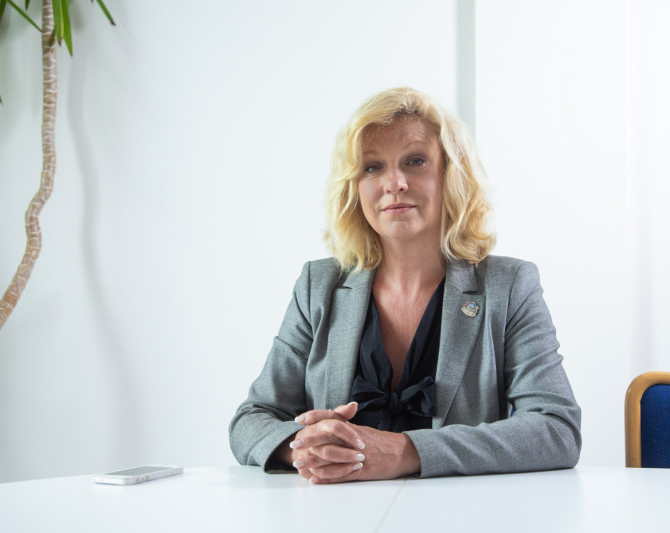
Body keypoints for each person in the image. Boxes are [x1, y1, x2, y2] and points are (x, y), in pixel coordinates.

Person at [229, 87, 580, 484]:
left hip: (463, 513)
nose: (394, 183)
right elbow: (250, 419)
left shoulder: (510, 286)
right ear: (354, 187)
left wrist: (407, 451)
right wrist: (305, 447)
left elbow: (557, 429)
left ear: (450, 175)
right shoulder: (318, 286)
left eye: (415, 162)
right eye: (372, 167)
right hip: (337, 513)